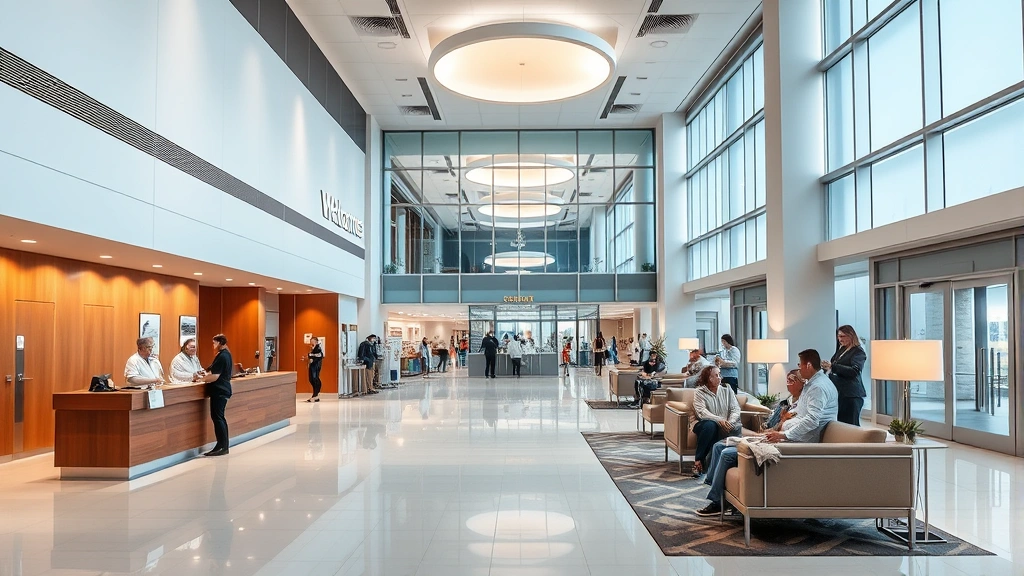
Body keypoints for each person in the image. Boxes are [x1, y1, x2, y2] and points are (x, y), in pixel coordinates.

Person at [696, 349, 838, 516]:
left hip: (796, 444)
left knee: (727, 452)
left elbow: (812, 420)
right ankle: (718, 496)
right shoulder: (813, 384)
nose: (799, 369)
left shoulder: (817, 387)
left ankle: (717, 501)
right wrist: (778, 427)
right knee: (722, 447)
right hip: (787, 437)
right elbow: (799, 414)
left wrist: (783, 434)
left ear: (808, 365)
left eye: (800, 365)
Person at [690, 365, 742, 476]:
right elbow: (702, 412)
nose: (720, 378)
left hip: (725, 423)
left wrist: (730, 422)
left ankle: (712, 466)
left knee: (735, 427)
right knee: (711, 426)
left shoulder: (727, 389)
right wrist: (720, 420)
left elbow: (735, 408)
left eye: (720, 375)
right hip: (703, 424)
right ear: (709, 378)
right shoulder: (699, 392)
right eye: (716, 375)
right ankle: (698, 461)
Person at [823, 324, 867, 426]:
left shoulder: (858, 352)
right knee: (842, 425)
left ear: (851, 336)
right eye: (839, 336)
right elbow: (834, 365)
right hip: (840, 393)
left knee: (851, 426)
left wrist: (832, 367)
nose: (840, 339)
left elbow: (854, 371)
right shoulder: (842, 349)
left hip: (851, 395)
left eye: (843, 336)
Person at [199, 334, 233, 457]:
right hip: (222, 390)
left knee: (218, 418)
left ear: (219, 343)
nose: (213, 346)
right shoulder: (225, 354)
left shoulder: (223, 356)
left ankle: (223, 446)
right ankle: (221, 445)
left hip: (220, 390)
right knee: (219, 418)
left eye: (214, 343)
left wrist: (202, 379)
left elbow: (215, 376)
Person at [304, 336, 324, 402]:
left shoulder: (318, 348)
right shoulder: (313, 348)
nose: (311, 343)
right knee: (311, 379)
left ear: (315, 341)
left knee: (315, 379)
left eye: (312, 341)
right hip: (313, 366)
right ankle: (315, 395)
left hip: (316, 366)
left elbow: (319, 355)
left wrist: (310, 355)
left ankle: (316, 395)